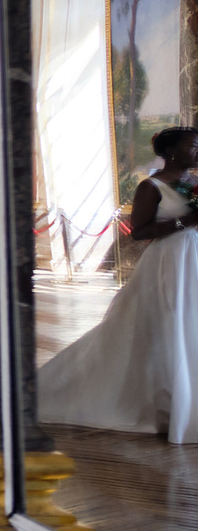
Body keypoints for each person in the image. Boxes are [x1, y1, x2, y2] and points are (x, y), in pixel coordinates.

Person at [41, 126, 198, 440]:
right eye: (192, 145)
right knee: (166, 329)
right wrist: (185, 219)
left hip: (193, 259)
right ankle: (162, 405)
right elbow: (139, 232)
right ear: (170, 152)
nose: (197, 151)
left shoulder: (194, 183)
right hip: (169, 263)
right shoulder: (151, 186)